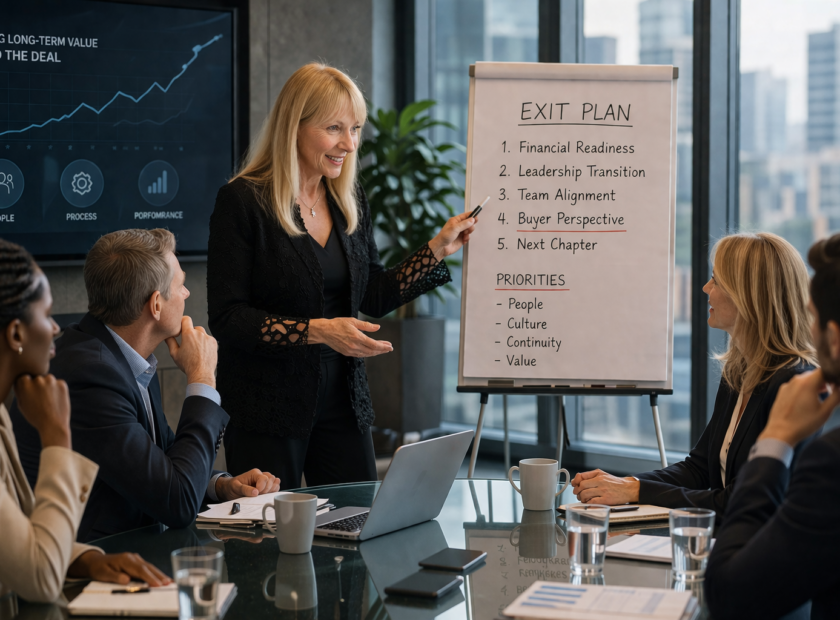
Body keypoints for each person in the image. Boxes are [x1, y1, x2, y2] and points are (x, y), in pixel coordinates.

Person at [207, 62, 478, 489]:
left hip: (345, 403)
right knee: (271, 541)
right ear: (294, 126)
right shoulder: (242, 201)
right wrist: (318, 331)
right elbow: (228, 318)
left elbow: (372, 292)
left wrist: (438, 248)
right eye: (334, 128)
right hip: (267, 406)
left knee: (361, 521)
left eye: (355, 129)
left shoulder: (348, 198)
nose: (349, 144)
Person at [10, 229, 279, 542]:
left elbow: (162, 462)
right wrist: (202, 377)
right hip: (93, 567)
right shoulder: (91, 375)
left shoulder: (123, 355)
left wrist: (220, 485)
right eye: (180, 284)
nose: (187, 294)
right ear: (155, 305)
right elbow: (177, 503)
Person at [571, 232, 816, 513]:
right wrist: (625, 484)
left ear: (749, 296)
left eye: (717, 280)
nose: (705, 287)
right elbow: (699, 470)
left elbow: (744, 501)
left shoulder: (794, 384)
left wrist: (635, 491)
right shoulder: (738, 373)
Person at [0, 238, 170, 603]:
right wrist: (57, 434)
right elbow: (41, 578)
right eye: (46, 315)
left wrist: (89, 560)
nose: (57, 328)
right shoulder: (88, 372)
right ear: (16, 334)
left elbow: (20, 535)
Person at [705, 234, 840, 620]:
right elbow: (701, 467)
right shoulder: (738, 370)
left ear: (833, 338)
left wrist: (775, 440)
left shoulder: (831, 460)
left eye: (813, 316)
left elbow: (732, 596)